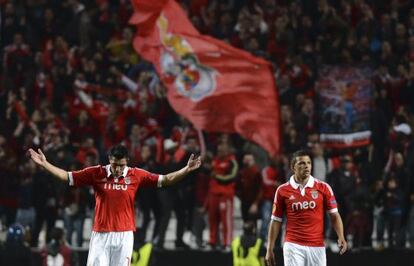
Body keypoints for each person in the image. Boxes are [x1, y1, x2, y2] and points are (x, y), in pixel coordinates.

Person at [28, 144, 201, 266]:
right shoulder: (96, 173)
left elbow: (166, 179)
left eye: (121, 165)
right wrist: (45, 164)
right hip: (101, 234)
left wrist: (186, 169)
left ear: (127, 161)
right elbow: (67, 176)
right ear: (109, 160)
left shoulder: (136, 175)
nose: (118, 169)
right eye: (115, 165)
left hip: (124, 235)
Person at [265, 150, 347, 266]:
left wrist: (341, 236)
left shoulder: (323, 188)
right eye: (302, 163)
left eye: (308, 163)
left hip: (317, 246)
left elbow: (334, 215)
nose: (306, 166)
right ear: (293, 167)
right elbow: (276, 220)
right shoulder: (282, 190)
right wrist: (269, 248)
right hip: (293, 245)